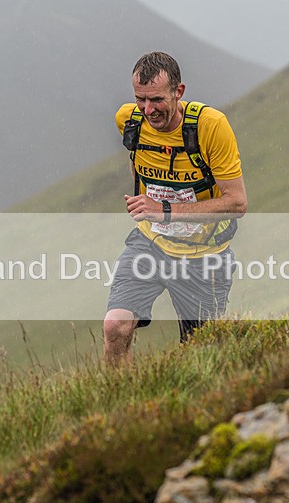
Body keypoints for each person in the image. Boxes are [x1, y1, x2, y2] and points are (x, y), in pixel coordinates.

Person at [103, 51, 247, 363]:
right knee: (115, 326)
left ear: (178, 92)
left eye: (156, 99)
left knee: (199, 356)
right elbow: (140, 162)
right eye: (140, 99)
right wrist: (146, 200)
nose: (148, 109)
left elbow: (237, 202)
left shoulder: (211, 126)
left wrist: (165, 210)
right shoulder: (128, 120)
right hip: (150, 243)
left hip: (204, 253)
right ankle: (119, 403)